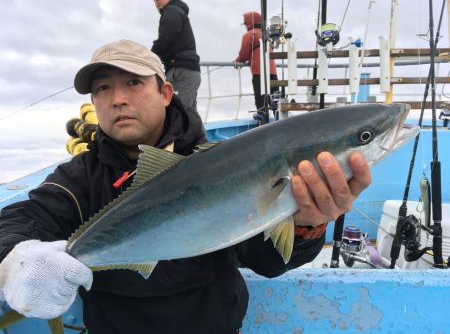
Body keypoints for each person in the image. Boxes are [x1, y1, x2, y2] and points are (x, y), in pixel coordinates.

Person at [0, 39, 371, 334]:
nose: (118, 99)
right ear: (94, 102)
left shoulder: (222, 162)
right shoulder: (79, 178)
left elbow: (268, 261)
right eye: (102, 88)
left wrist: (306, 225)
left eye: (133, 82)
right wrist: (17, 258)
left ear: (165, 92)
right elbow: (21, 219)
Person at [151, 0, 201, 113]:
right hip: (187, 70)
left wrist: (150, 55)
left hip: (181, 71)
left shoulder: (172, 11)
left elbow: (166, 39)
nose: (156, 0)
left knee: (179, 113)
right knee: (190, 114)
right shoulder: (176, 11)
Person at [235, 11, 278, 123]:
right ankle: (279, 120)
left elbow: (243, 55)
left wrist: (237, 61)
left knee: (261, 100)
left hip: (259, 72)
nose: (245, 26)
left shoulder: (249, 35)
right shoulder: (267, 36)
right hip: (273, 73)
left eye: (245, 23)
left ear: (249, 23)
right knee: (275, 100)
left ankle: (262, 119)